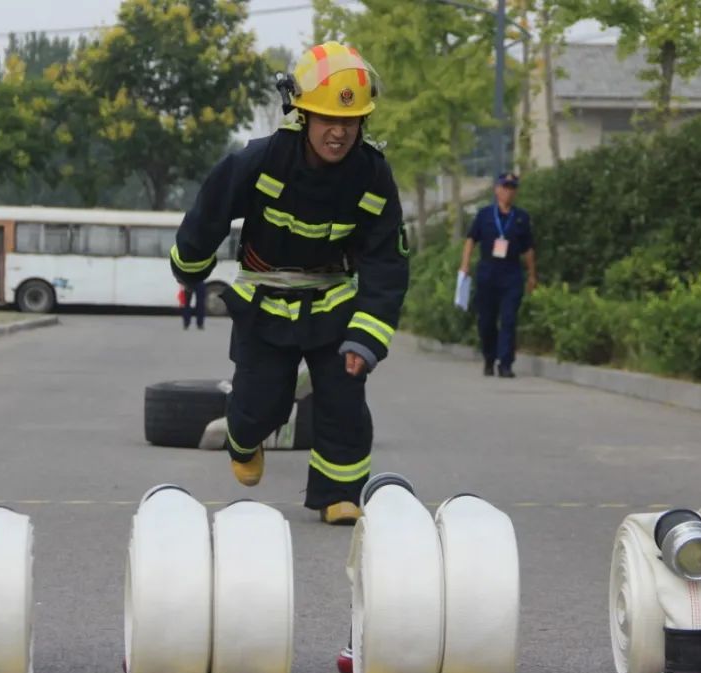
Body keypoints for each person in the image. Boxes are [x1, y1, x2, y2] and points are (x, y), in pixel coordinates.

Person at [169, 41, 409, 526]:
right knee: (262, 402)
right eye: (327, 120)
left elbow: (386, 261)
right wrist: (190, 265)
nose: (338, 133)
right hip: (265, 304)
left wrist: (366, 338)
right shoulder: (260, 161)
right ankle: (243, 434)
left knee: (344, 398)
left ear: (363, 122)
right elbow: (210, 209)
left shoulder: (373, 177)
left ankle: (338, 493)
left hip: (333, 305)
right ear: (301, 115)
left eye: (350, 121)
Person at [459, 172, 537, 378]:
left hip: (511, 273)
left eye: (512, 188)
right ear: (497, 189)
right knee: (486, 320)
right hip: (488, 272)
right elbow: (470, 240)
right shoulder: (484, 214)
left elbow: (528, 248)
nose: (508, 192)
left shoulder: (521, 217)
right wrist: (465, 265)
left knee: (509, 318)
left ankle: (506, 363)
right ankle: (489, 357)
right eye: (504, 187)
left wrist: (532, 275)